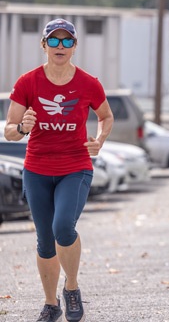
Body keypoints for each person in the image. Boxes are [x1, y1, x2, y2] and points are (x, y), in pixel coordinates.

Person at [3, 18, 114, 322]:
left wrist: (100, 140)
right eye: (54, 41)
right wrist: (21, 128)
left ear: (75, 46)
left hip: (75, 167)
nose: (60, 46)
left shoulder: (88, 82)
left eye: (67, 41)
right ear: (44, 45)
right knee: (44, 240)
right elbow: (9, 131)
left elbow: (106, 116)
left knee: (63, 227)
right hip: (37, 169)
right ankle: (51, 304)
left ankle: (73, 288)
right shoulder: (28, 82)